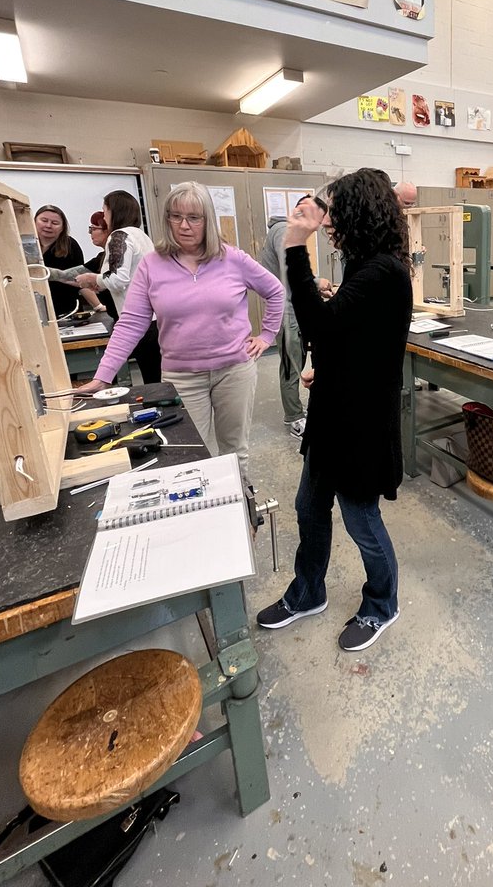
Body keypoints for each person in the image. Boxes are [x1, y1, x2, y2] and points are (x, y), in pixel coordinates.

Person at [256, 168, 412, 653]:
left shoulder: (382, 270)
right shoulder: (365, 265)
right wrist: (324, 367)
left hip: (360, 423)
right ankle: (309, 592)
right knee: (308, 506)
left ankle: (382, 603)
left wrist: (295, 249)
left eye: (334, 212)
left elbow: (321, 327)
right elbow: (349, 337)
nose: (327, 222)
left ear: (359, 213)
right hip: (333, 413)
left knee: (361, 520)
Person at [75, 181, 284, 476]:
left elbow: (275, 291)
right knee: (190, 453)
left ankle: (240, 507)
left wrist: (266, 335)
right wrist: (103, 376)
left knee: (235, 450)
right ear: (167, 219)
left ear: (207, 221)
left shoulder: (232, 258)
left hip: (234, 372)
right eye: (176, 216)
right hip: (182, 377)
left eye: (194, 218)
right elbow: (132, 322)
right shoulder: (152, 265)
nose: (184, 225)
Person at [257, 193, 332, 438]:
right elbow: (289, 271)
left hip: (292, 307)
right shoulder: (282, 231)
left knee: (297, 361)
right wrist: (317, 281)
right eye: (319, 220)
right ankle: (295, 418)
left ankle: (299, 413)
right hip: (285, 310)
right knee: (292, 365)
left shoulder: (285, 230)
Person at [73, 190, 162, 383]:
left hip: (138, 322)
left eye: (105, 212)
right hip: (155, 320)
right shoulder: (142, 236)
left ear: (114, 212)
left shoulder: (118, 236)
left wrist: (92, 279)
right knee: (156, 378)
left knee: (152, 382)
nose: (104, 217)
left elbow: (117, 278)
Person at [35, 205, 97, 318]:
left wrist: (97, 306)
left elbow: (81, 280)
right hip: (33, 313)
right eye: (44, 220)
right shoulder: (23, 245)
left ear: (63, 227)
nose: (48, 226)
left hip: (68, 312)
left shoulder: (70, 246)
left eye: (55, 223)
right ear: (34, 222)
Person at [83, 211, 118, 327]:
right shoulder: (101, 258)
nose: (90, 233)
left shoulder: (117, 257)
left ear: (107, 230)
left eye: (93, 229)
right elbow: (74, 275)